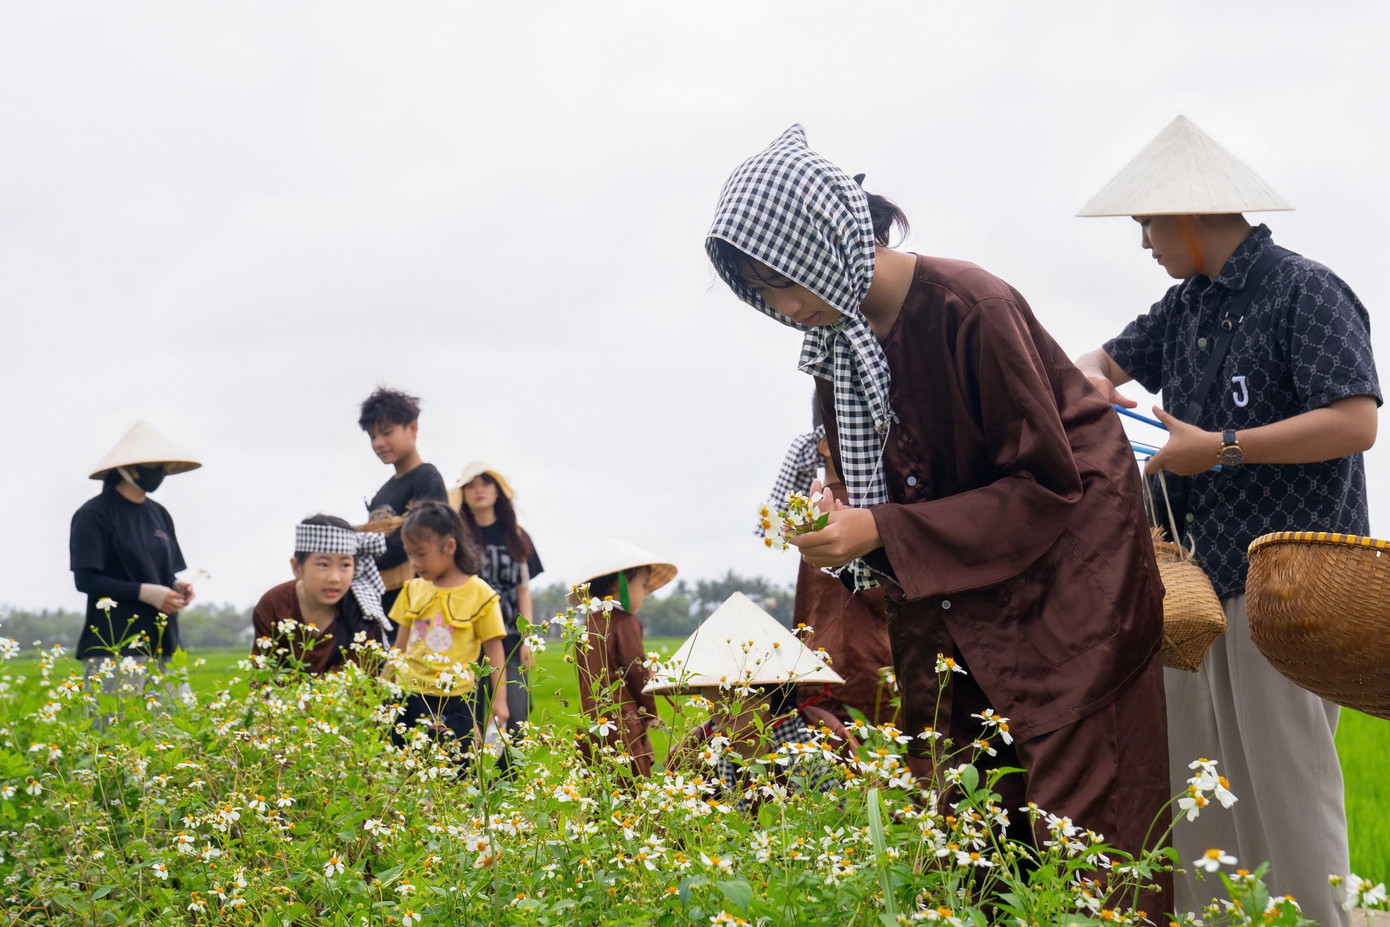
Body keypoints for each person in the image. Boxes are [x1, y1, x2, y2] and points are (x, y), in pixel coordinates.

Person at [707, 125, 1170, 916]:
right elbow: (872, 490)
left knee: (1089, 852)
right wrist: (837, 519)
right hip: (963, 624)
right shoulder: (839, 352)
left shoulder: (971, 307)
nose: (781, 308)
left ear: (824, 241)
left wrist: (883, 527)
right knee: (977, 848)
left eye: (784, 282)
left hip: (1071, 609)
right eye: (763, 291)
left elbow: (1046, 486)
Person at [1074, 115, 1379, 927]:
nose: (1144, 241)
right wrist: (1090, 388)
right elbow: (1094, 365)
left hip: (1286, 586)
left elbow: (1355, 421)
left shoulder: (1305, 290)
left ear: (1191, 215)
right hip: (1196, 592)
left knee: (1286, 793)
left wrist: (1222, 448)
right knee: (1201, 797)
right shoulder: (1185, 307)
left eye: (1148, 223)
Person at [649, 592, 853, 808]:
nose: (728, 701)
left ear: (774, 689)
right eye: (716, 687)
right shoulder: (694, 748)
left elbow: (864, 806)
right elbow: (664, 818)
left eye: (743, 688)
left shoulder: (821, 734)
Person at [762, 406, 895, 725]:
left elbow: (808, 602)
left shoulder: (810, 509)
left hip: (814, 662)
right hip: (869, 666)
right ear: (825, 445)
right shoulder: (861, 506)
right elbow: (883, 595)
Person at [69, 420, 200, 688]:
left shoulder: (160, 514)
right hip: (114, 646)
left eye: (163, 466)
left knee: (175, 726)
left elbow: (165, 573)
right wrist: (148, 593)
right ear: (127, 467)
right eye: (154, 465)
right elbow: (86, 580)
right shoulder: (93, 515)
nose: (160, 472)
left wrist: (176, 586)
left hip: (164, 644)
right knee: (116, 727)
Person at [386, 503, 508, 761]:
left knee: (457, 768)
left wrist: (499, 701)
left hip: (456, 700)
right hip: (409, 695)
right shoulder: (412, 589)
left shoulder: (480, 594)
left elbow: (495, 651)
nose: (414, 563)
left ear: (450, 547)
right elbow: (399, 645)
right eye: (410, 555)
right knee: (405, 767)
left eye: (421, 554)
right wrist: (384, 682)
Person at [450, 462, 543, 735]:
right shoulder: (458, 537)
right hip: (468, 638)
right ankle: (474, 775)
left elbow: (523, 590)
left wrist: (528, 639)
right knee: (468, 711)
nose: (478, 490)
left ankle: (509, 774)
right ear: (463, 493)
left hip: (509, 637)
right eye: (470, 485)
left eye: (485, 483)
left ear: (498, 491)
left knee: (516, 713)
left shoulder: (516, 535)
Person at [574, 539, 676, 778]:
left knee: (599, 786)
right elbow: (636, 669)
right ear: (620, 584)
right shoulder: (626, 622)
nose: (644, 593)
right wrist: (650, 711)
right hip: (622, 719)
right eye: (642, 585)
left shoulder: (587, 625)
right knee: (632, 784)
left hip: (591, 720)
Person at [250, 514, 392, 675]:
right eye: (323, 564)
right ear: (297, 567)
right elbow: (264, 672)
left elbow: (355, 680)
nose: (334, 578)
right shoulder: (273, 604)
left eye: (345, 565)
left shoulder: (365, 608)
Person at [358, 387, 449, 617]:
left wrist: (360, 555)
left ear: (413, 428)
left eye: (386, 433)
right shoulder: (381, 494)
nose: (378, 443)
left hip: (419, 605)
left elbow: (422, 537)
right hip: (383, 604)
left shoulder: (427, 479)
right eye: (372, 436)